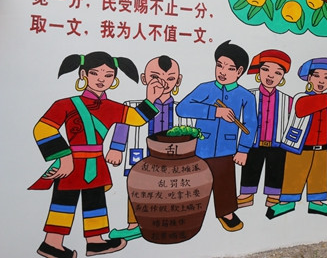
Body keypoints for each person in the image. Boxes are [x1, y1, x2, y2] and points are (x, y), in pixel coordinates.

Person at [30, 51, 164, 258]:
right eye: (95, 73)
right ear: (83, 74)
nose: (101, 79)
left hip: (96, 163)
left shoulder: (112, 107)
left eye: (108, 75)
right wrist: (64, 156)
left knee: (96, 203)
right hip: (71, 163)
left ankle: (95, 242)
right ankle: (51, 244)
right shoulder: (65, 104)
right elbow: (43, 128)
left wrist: (151, 99)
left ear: (114, 79)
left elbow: (136, 119)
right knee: (63, 203)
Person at [176, 40, 258, 232]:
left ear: (239, 71)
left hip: (226, 148)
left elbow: (250, 124)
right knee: (195, 182)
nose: (223, 71)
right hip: (201, 146)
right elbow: (182, 108)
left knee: (225, 182)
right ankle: (191, 212)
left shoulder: (245, 96)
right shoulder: (205, 88)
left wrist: (243, 150)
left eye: (230, 68)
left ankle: (226, 212)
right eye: (219, 65)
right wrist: (214, 112)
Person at [266, 58, 327, 219]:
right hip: (300, 147)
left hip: (322, 147)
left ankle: (316, 202)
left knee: (318, 176)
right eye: (317, 76)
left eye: (326, 77)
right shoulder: (302, 97)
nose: (321, 81)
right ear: (309, 78)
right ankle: (287, 202)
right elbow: (304, 108)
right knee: (294, 174)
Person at [106, 55, 183, 241]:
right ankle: (134, 225)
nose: (163, 83)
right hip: (140, 154)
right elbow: (123, 124)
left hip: (171, 160)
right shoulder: (132, 107)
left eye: (170, 78)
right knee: (137, 188)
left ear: (178, 81)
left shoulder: (181, 109)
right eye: (155, 77)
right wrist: (116, 148)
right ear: (144, 78)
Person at [237, 49, 293, 209]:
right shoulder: (249, 96)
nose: (270, 76)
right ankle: (246, 195)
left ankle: (274, 195)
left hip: (277, 143)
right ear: (259, 72)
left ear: (282, 78)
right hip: (253, 142)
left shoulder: (287, 100)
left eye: (278, 73)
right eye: (266, 69)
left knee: (276, 169)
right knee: (250, 167)